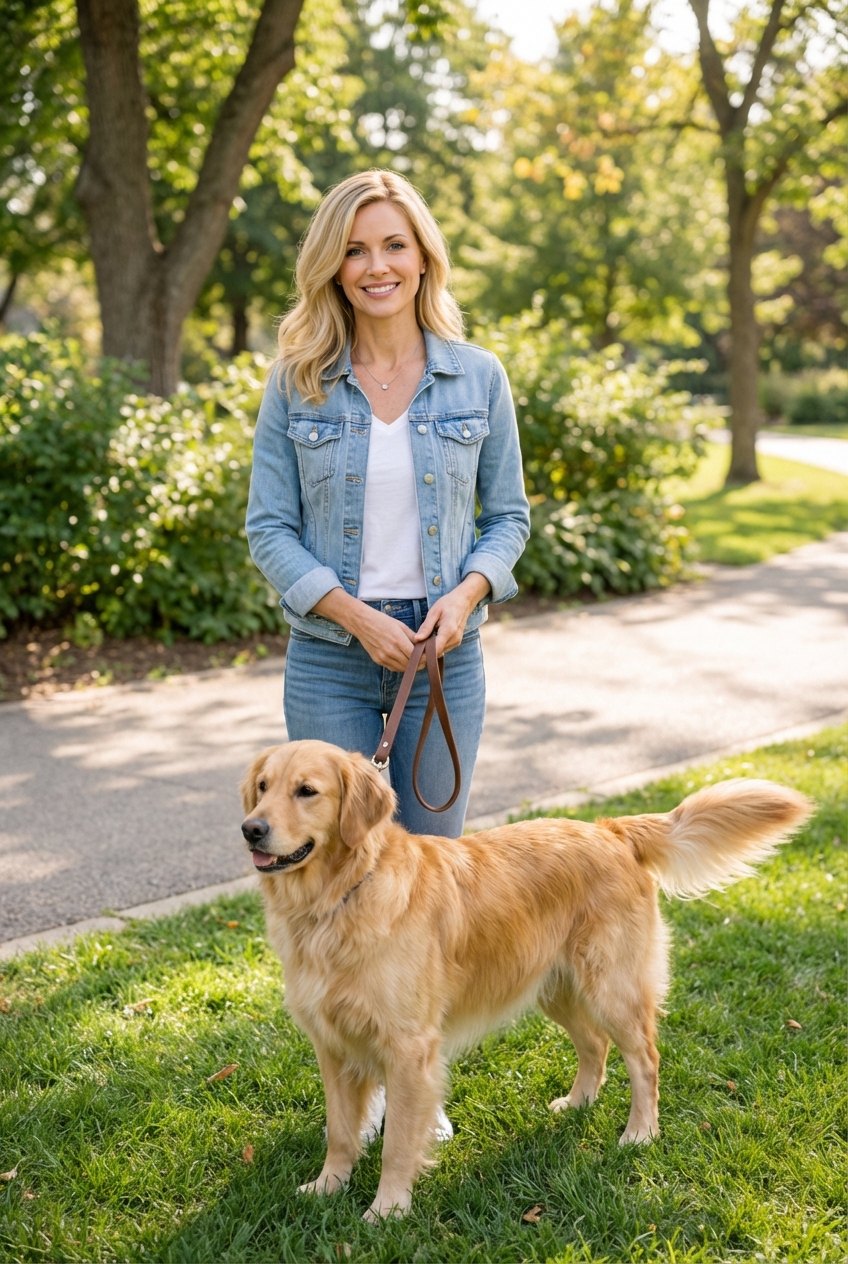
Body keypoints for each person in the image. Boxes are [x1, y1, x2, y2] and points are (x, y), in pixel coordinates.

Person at [245, 168, 529, 1140]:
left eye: (393, 246)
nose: (375, 266)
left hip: (444, 657)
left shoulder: (475, 376)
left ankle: (412, 1082)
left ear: (422, 258)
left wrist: (465, 593)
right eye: (356, 249)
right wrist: (354, 614)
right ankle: (349, 1097)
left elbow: (509, 520)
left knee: (426, 890)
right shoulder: (297, 383)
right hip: (331, 649)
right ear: (333, 265)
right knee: (317, 876)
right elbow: (269, 528)